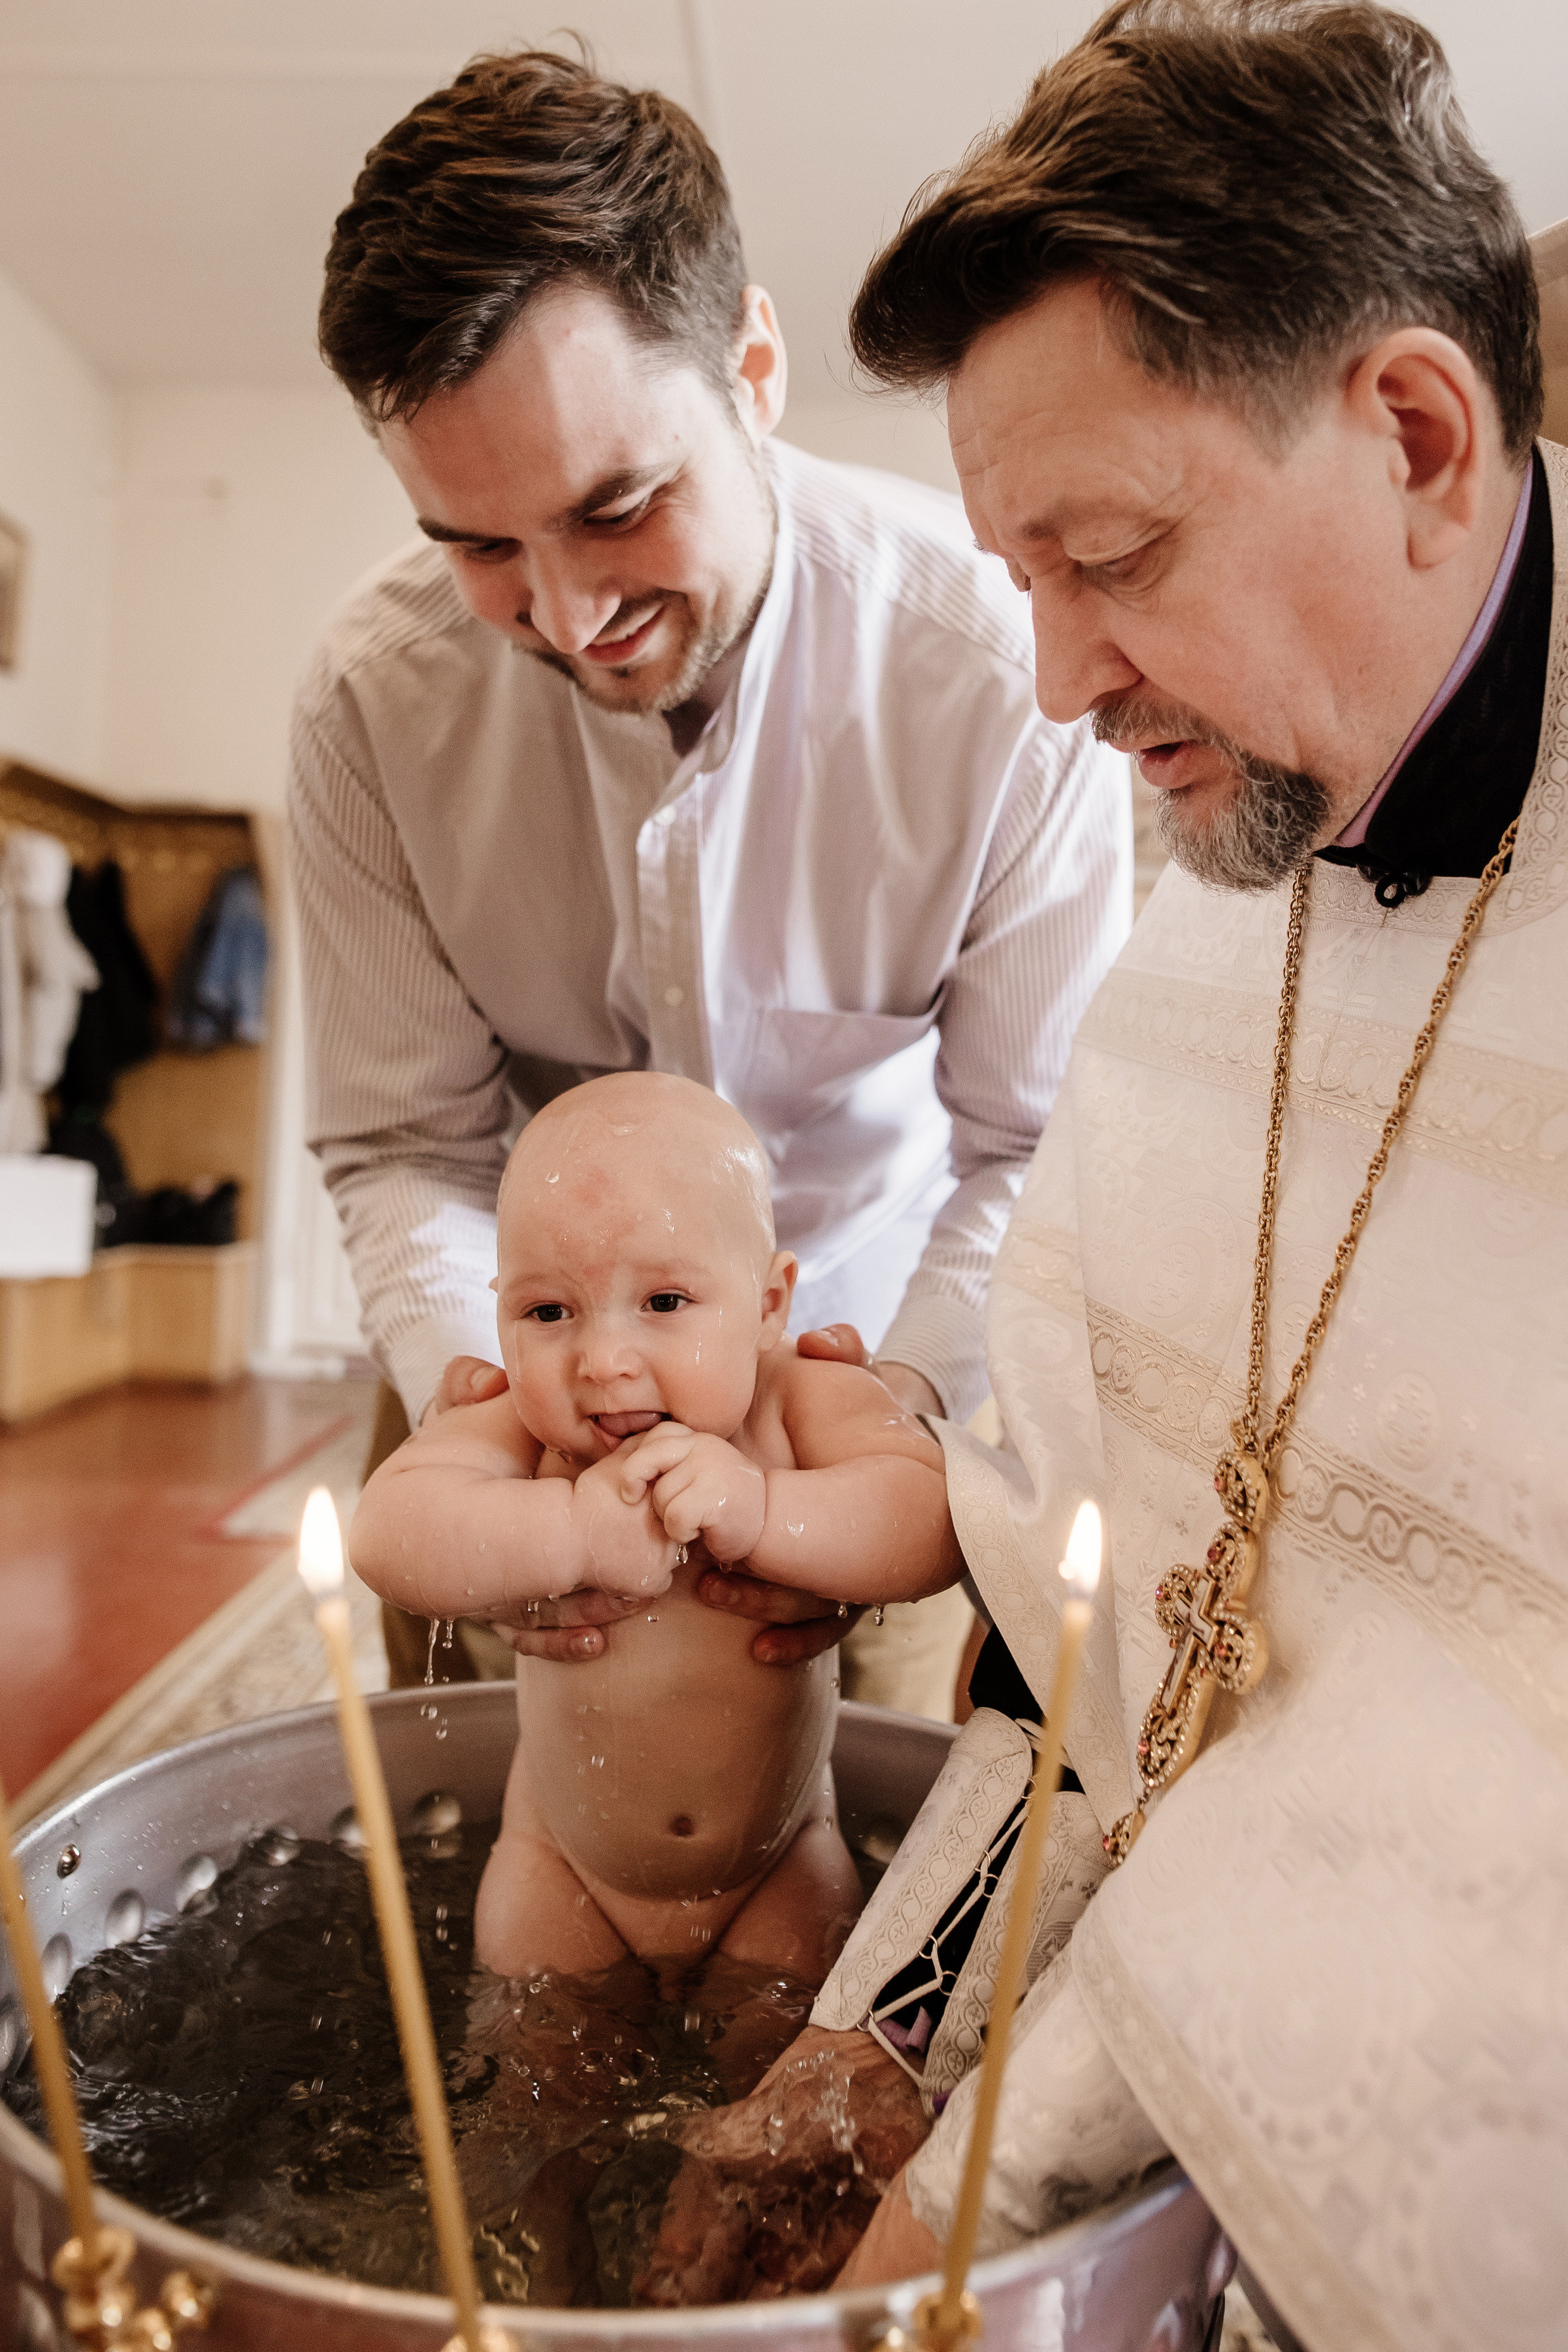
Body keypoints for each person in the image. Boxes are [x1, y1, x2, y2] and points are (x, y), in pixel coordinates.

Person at [627, 6, 1568, 2342]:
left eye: (1115, 556)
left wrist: (985, 2159)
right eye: (1015, 577)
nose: (1057, 681)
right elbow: (1108, 1643)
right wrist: (883, 2039)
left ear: (1423, 437)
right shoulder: (1211, 896)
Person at [291, 46, 1130, 1716]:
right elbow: (406, 1140)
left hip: (864, 1379)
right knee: (473, 1855)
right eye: (478, 545)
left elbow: (1030, 1145)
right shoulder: (368, 707)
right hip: (497, 1384)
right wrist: (511, 1433)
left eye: (617, 504)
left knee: (843, 1880)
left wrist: (876, 1426)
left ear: (752, 364)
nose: (566, 609)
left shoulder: (992, 673)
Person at [350, 1072, 962, 1994]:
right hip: (562, 1869)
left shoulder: (804, 1399)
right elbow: (389, 1532)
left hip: (780, 1867)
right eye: (547, 1312)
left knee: (788, 2092)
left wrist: (765, 1510)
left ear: (767, 1306)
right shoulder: (524, 1428)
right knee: (535, 2097)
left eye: (665, 1303)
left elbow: (929, 1523)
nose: (601, 1362)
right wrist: (570, 1530)